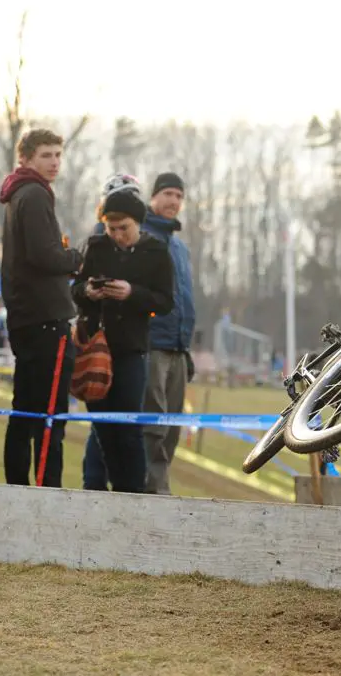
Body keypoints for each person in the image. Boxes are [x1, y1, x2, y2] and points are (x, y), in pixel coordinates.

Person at [75, 175, 174, 493]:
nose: (117, 235)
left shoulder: (156, 252)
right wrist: (89, 292)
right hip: (96, 348)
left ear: (138, 224)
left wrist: (132, 293)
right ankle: (94, 485)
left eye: (124, 229)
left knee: (128, 426)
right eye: (111, 228)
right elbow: (75, 288)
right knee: (102, 426)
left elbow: (165, 302)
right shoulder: (96, 246)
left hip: (131, 348)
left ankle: (130, 490)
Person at [0, 129, 83, 488]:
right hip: (45, 320)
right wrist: (77, 258)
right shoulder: (33, 194)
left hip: (28, 317)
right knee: (50, 415)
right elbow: (43, 254)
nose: (54, 163)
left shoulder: (21, 194)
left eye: (58, 155)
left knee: (26, 411)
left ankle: (19, 486)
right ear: (27, 158)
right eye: (46, 155)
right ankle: (47, 491)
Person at [141, 172, 195, 495]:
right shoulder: (144, 237)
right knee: (153, 421)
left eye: (178, 196)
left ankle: (160, 483)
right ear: (154, 198)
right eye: (168, 194)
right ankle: (151, 487)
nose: (173, 201)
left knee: (172, 424)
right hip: (153, 345)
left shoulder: (181, 248)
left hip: (179, 347)